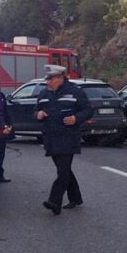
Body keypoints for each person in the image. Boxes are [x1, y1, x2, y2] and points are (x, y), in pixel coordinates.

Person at [35, 64, 93, 215]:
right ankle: (76, 197)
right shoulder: (43, 94)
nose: (48, 82)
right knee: (65, 170)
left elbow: (88, 110)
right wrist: (38, 115)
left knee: (62, 172)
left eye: (51, 79)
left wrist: (76, 118)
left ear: (61, 78)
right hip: (51, 138)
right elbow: (35, 111)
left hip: (68, 138)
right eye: (47, 79)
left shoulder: (75, 92)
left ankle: (54, 202)